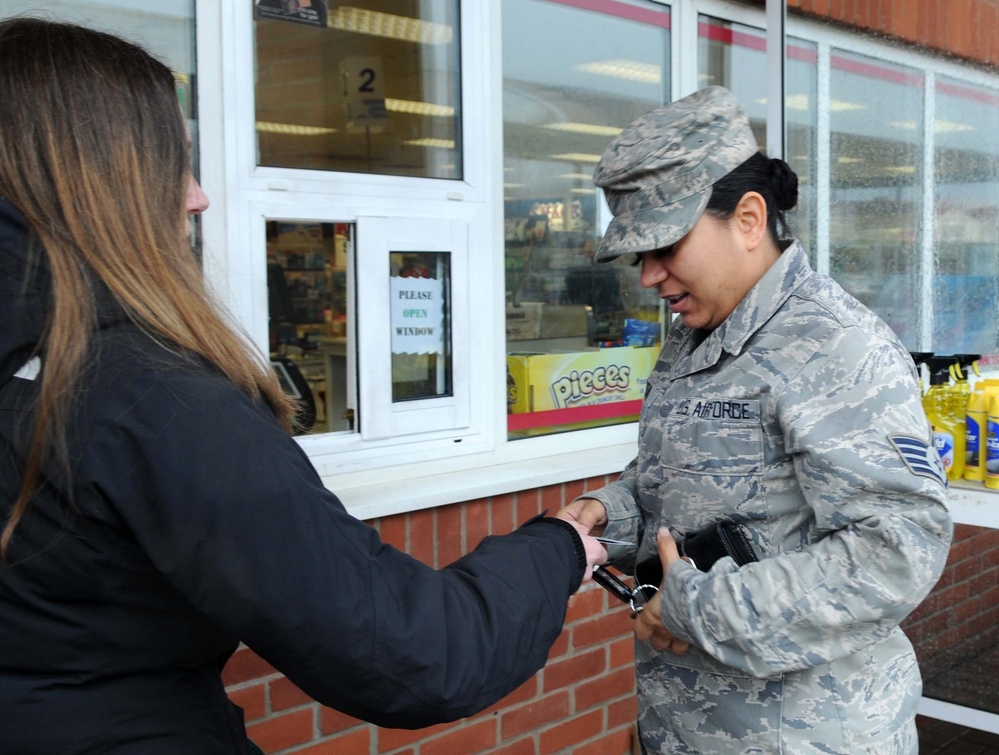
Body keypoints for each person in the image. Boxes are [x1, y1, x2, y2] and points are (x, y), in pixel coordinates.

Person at [0, 17, 608, 754]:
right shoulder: (154, 401)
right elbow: (411, 651)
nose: (198, 199)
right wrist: (556, 548)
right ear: (104, 186)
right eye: (174, 165)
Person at [558, 86, 952, 754]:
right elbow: (687, 482)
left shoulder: (835, 346)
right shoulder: (693, 335)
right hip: (686, 726)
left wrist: (699, 607)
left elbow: (898, 549)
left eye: (666, 246)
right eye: (638, 256)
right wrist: (610, 514)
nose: (650, 275)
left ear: (747, 217)